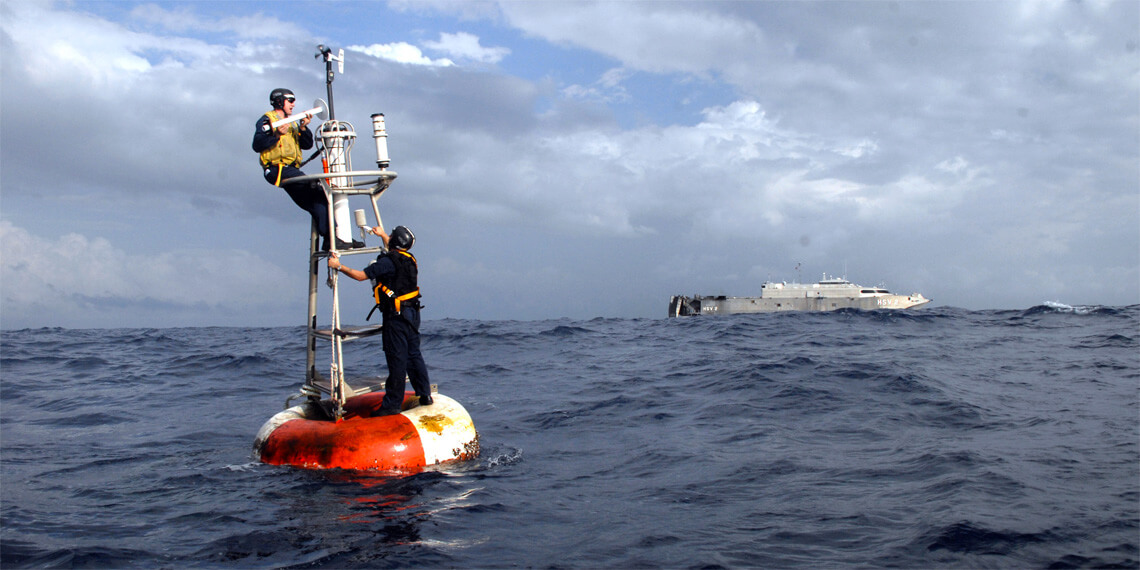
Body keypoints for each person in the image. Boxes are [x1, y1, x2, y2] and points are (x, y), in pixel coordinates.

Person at [328, 225, 432, 415]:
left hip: (396, 317)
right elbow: (394, 251)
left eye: (391, 235)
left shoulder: (386, 263)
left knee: (397, 359)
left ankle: (392, 405)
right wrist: (383, 234)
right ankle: (425, 394)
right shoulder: (409, 258)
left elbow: (360, 276)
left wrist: (338, 266)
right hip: (412, 314)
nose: (389, 236)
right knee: (414, 355)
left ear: (395, 241)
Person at [252, 88, 362, 250]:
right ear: (279, 101)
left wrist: (303, 128)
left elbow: (307, 144)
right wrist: (276, 136)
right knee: (315, 190)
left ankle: (332, 238)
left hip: (290, 169)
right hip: (278, 169)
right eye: (290, 100)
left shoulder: (292, 123)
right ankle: (332, 238)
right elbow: (257, 145)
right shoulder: (267, 121)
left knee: (317, 199)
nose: (293, 104)